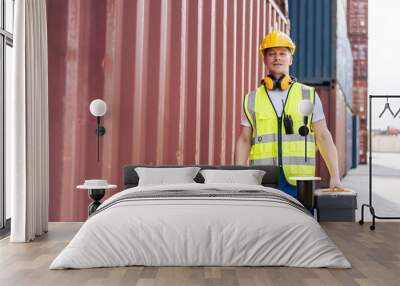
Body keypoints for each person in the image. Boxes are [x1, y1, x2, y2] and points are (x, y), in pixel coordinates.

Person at [235, 30, 342, 198]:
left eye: (282, 53)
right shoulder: (252, 99)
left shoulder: (308, 95)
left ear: (290, 58)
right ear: (264, 59)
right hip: (264, 179)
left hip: (299, 180)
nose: (277, 58)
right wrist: (239, 176)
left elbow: (323, 136)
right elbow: (244, 139)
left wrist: (335, 175)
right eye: (272, 54)